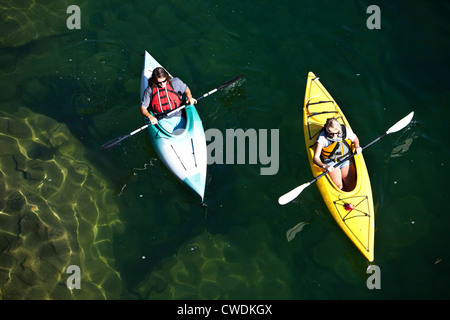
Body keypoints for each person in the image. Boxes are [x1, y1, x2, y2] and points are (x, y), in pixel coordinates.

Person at [140, 67, 197, 133]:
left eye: (164, 81)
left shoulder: (175, 82)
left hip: (179, 115)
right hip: (163, 119)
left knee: (185, 132)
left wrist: (189, 97)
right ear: (155, 81)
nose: (162, 84)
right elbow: (143, 108)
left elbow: (186, 90)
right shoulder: (149, 90)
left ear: (167, 78)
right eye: (159, 82)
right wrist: (150, 116)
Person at [313, 118, 362, 191]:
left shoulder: (345, 130)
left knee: (350, 185)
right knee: (339, 187)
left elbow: (355, 139)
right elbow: (315, 158)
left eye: (336, 133)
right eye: (331, 134)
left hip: (345, 159)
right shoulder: (322, 138)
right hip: (331, 162)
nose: (334, 136)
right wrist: (325, 166)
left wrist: (357, 146)